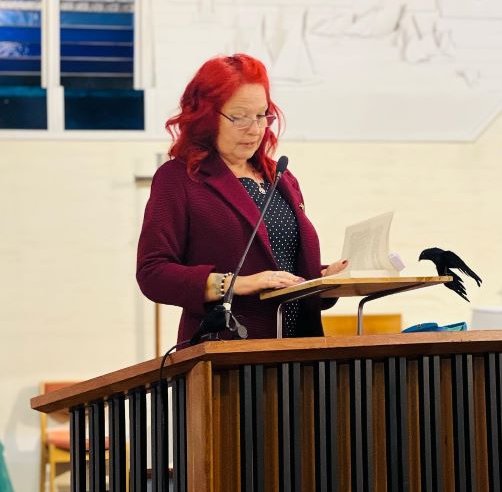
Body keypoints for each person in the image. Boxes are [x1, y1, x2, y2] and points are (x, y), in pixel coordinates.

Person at [136, 53, 347, 345]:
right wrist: (234, 284)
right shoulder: (179, 179)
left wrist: (326, 278)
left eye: (262, 116)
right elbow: (153, 273)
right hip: (229, 352)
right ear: (206, 117)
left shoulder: (280, 176)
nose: (255, 129)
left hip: (300, 351)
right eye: (239, 117)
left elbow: (285, 270)